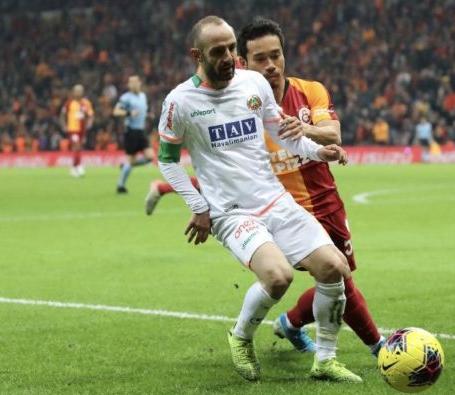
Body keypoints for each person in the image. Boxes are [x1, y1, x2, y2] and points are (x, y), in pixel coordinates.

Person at [146, 17, 386, 359]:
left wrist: (312, 141)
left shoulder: (292, 90)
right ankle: (378, 348)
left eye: (276, 55)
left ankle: (299, 332)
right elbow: (197, 166)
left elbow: (320, 134)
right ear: (243, 61)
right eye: (260, 58)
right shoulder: (191, 102)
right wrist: (197, 204)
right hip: (252, 211)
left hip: (313, 204)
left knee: (336, 273)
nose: (271, 65)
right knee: (291, 277)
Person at [113, 75, 153, 193]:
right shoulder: (126, 98)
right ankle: (121, 185)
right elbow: (116, 111)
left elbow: (141, 112)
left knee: (150, 157)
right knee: (131, 159)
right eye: (131, 82)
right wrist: (129, 113)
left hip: (140, 131)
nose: (134, 84)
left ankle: (126, 165)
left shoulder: (143, 96)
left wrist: (147, 115)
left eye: (135, 82)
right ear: (129, 85)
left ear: (140, 83)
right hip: (130, 132)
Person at [60, 84, 93, 177]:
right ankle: (78, 166)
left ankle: (74, 167)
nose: (78, 93)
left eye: (80, 91)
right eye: (76, 91)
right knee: (76, 146)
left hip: (82, 129)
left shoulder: (86, 103)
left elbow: (90, 114)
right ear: (73, 92)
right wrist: (63, 125)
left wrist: (90, 122)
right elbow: (62, 115)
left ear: (83, 92)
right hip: (72, 129)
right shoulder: (69, 103)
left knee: (79, 147)